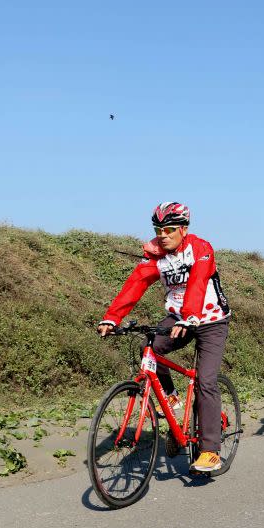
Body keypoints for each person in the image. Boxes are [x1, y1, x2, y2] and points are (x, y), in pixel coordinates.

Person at [97, 202, 230, 472]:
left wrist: (191, 315)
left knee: (205, 381)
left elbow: (198, 281)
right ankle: (172, 399)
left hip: (210, 319)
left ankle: (210, 449)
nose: (163, 235)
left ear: (182, 229)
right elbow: (135, 284)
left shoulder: (200, 248)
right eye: (158, 229)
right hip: (178, 317)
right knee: (152, 350)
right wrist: (113, 318)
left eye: (169, 229)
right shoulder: (155, 256)